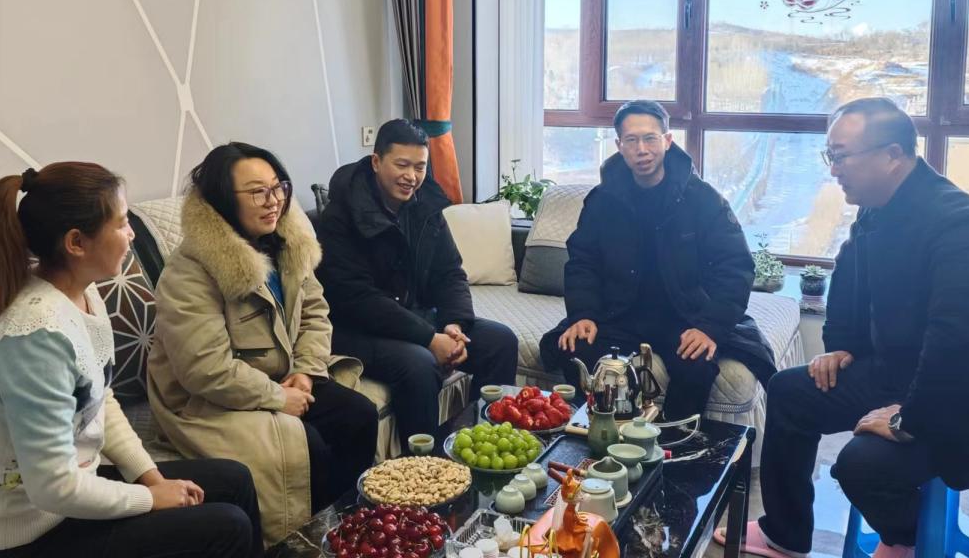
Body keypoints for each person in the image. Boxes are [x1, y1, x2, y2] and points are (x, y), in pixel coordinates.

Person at [718, 97, 969, 558]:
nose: (833, 169)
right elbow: (849, 279)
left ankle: (903, 540)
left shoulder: (961, 225)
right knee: (789, 391)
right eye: (829, 156)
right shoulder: (876, 208)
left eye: (841, 156)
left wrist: (908, 419)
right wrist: (842, 346)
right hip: (898, 374)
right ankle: (785, 533)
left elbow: (955, 341)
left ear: (892, 155)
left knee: (862, 465)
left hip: (966, 399)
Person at [0, 163, 262, 558]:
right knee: (227, 526)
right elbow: (53, 488)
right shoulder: (37, 339)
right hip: (30, 528)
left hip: (72, 491)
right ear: (76, 243)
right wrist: (150, 499)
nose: (131, 234)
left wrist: (150, 476)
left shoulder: (82, 292)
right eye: (122, 222)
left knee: (234, 479)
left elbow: (99, 401)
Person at [146, 143, 378, 545]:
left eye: (278, 187)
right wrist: (277, 397)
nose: (274, 201)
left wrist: (306, 372)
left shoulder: (286, 244)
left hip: (285, 377)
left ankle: (346, 531)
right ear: (222, 200)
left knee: (359, 414)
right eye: (257, 192)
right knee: (307, 445)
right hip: (210, 400)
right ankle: (304, 543)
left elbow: (315, 313)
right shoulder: (189, 272)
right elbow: (204, 369)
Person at [539, 100, 775, 421]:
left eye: (650, 138)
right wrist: (583, 314)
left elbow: (735, 267)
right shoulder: (602, 200)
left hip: (685, 313)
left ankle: (675, 441)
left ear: (667, 140)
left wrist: (709, 327)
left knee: (695, 365)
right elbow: (583, 261)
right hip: (619, 312)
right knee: (573, 346)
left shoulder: (703, 199)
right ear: (619, 146)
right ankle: (601, 431)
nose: (642, 149)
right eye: (632, 140)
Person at [316, 119, 518, 446]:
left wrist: (454, 324)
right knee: (419, 365)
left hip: (413, 317)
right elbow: (358, 299)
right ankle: (425, 465)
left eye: (420, 167)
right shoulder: (341, 216)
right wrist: (428, 338)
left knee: (500, 341)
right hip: (355, 329)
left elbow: (449, 272)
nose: (411, 176)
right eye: (402, 165)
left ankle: (486, 444)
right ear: (377, 161)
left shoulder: (425, 207)